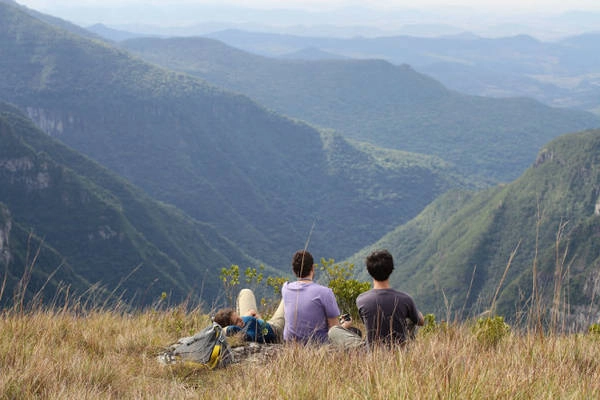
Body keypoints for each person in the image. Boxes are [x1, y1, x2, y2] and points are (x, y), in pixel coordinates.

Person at [282, 250, 361, 346]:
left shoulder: (286, 288)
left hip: (290, 342)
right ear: (312, 268)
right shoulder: (325, 292)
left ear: (294, 271)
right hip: (318, 344)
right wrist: (345, 325)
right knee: (355, 332)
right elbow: (334, 330)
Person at [356, 249, 424, 346]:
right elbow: (420, 322)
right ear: (391, 269)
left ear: (368, 271)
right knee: (411, 318)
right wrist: (414, 310)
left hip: (372, 352)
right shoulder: (405, 299)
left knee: (335, 331)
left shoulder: (361, 300)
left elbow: (366, 323)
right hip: (400, 352)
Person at [214, 288, 284, 343]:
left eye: (238, 316)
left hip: (257, 322)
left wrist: (246, 317)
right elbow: (247, 336)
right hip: (275, 329)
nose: (240, 319)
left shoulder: (243, 322)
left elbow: (236, 325)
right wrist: (258, 319)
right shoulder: (247, 333)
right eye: (237, 321)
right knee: (290, 295)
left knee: (245, 292)